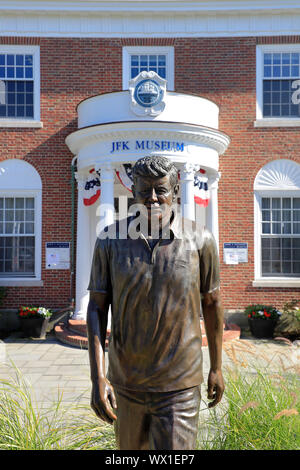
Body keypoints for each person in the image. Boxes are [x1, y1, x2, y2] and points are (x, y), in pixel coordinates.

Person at [86, 155, 224, 450]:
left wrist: (216, 367)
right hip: (126, 383)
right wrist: (97, 377)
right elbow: (96, 308)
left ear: (174, 192)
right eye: (143, 189)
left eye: (160, 189)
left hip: (180, 386)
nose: (152, 197)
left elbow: (212, 304)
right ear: (132, 192)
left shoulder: (201, 240)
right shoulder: (109, 240)